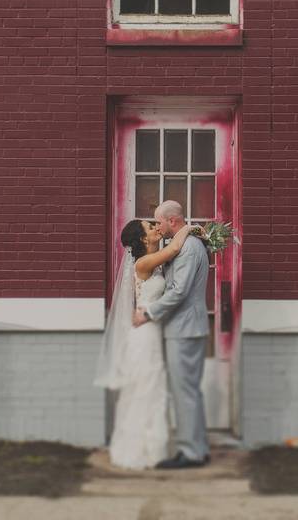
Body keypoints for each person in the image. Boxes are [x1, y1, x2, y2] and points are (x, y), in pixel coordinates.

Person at [93, 218, 194, 470]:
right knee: (147, 388)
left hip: (152, 328)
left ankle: (153, 450)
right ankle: (143, 452)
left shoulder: (154, 260)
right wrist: (189, 228)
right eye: (150, 228)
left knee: (153, 386)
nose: (155, 228)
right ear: (142, 239)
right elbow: (173, 250)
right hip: (145, 334)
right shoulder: (143, 263)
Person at [132, 200, 211, 469]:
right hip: (184, 327)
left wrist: (148, 313)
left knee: (184, 392)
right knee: (189, 391)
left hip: (184, 328)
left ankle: (190, 453)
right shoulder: (181, 244)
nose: (158, 226)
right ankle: (198, 448)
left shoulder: (188, 248)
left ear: (172, 221)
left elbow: (178, 291)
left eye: (160, 222)